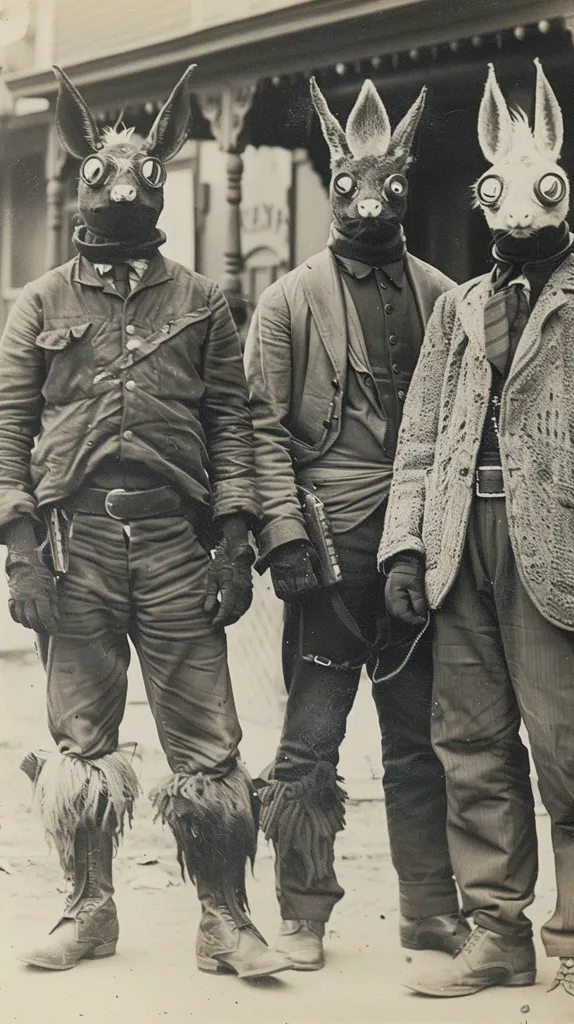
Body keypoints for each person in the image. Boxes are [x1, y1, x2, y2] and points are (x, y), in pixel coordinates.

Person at [1, 64, 291, 980]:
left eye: (141, 176)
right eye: (103, 176)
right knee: (79, 740)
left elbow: (230, 424)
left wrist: (236, 538)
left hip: (175, 545)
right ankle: (88, 911)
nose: (122, 190)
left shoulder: (204, 300)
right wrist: (20, 556)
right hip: (74, 543)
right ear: (83, 184)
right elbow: (8, 429)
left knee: (208, 741)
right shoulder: (38, 304)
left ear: (160, 179)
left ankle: (224, 919)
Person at [244, 76, 467, 972]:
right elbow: (259, 430)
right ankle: (303, 912)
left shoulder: (446, 297)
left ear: (404, 188)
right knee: (309, 740)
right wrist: (284, 540)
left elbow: (457, 429)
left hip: (417, 548)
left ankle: (428, 910)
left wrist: (441, 541)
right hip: (328, 547)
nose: (370, 204)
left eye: (388, 189)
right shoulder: (286, 302)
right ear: (333, 182)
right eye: (350, 186)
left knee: (420, 740)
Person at [382, 60, 574, 998]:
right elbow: (420, 435)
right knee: (471, 742)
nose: (518, 221)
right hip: (465, 547)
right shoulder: (461, 308)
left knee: (567, 742)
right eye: (501, 199)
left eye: (537, 198)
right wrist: (407, 545)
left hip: (560, 553)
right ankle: (497, 928)